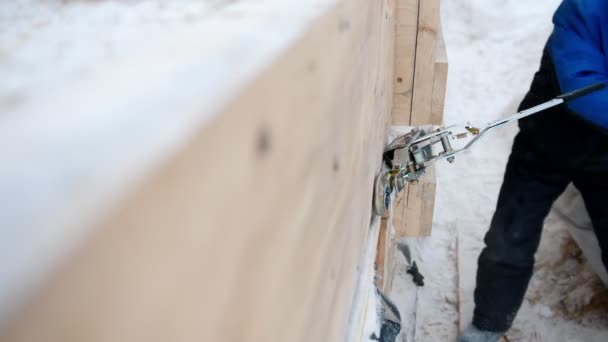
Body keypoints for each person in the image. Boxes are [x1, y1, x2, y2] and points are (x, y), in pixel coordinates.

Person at [459, 0, 608, 341]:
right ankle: (487, 325)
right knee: (510, 238)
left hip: (604, 160)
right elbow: (583, 87)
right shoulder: (584, 10)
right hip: (544, 148)